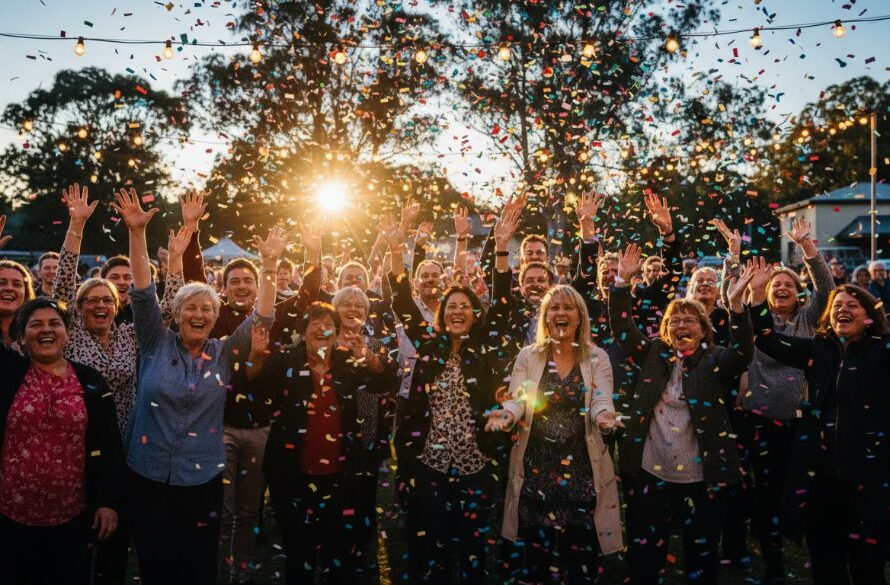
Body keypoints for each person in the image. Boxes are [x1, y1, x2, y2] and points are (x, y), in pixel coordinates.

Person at [116, 187, 278, 585]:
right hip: (149, 477)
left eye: (207, 308)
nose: (199, 313)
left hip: (201, 479)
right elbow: (141, 292)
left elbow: (263, 319)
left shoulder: (224, 351)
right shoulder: (154, 340)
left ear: (215, 315)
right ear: (175, 312)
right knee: (156, 563)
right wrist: (137, 233)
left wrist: (270, 266)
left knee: (197, 566)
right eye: (190, 306)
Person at [52, 184, 187, 585]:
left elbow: (170, 305)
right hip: (78, 445)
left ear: (117, 304)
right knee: (81, 535)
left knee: (118, 536)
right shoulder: (71, 334)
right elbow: (61, 284)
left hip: (127, 447)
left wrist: (176, 259)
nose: (99, 306)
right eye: (91, 300)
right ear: (78, 308)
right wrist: (76, 224)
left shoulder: (131, 336)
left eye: (107, 300)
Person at [610, 243, 754, 585]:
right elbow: (622, 329)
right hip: (649, 470)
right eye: (675, 320)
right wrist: (620, 284)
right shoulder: (652, 353)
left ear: (703, 330)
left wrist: (736, 308)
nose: (682, 324)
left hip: (699, 474)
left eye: (691, 320)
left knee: (701, 553)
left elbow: (744, 352)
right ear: (665, 328)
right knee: (646, 552)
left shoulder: (716, 358)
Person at [384, 204, 514, 584]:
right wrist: (396, 251)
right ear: (441, 316)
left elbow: (503, 304)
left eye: (465, 306)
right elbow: (403, 303)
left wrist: (502, 248)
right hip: (431, 464)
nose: (458, 310)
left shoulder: (485, 349)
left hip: (476, 462)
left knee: (473, 547)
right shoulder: (428, 345)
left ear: (475, 314)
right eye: (451, 306)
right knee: (435, 545)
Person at [719, 218, 835, 584]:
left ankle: (814, 553)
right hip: (759, 423)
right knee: (766, 498)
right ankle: (772, 564)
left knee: (802, 492)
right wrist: (733, 258)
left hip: (801, 425)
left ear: (798, 292)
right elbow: (731, 296)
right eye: (776, 284)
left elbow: (827, 289)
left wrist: (808, 249)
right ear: (765, 292)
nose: (782, 287)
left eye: (789, 284)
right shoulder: (754, 323)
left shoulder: (809, 320)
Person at [248, 299, 395, 584]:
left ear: (337, 333)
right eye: (314, 324)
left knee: (339, 552)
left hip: (342, 477)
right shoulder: (286, 360)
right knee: (299, 552)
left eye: (329, 325)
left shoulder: (349, 361)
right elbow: (257, 389)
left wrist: (367, 356)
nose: (321, 329)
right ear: (303, 331)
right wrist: (256, 356)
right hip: (292, 476)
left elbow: (384, 383)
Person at [751, 284, 889, 585]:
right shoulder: (818, 349)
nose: (843, 309)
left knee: (869, 569)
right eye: (837, 305)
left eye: (852, 305)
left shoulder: (883, 350)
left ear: (869, 314)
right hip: (822, 481)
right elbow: (767, 340)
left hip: (868, 479)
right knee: (827, 566)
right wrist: (759, 297)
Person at [486, 285, 623, 584]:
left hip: (582, 474)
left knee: (581, 560)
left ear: (580, 317)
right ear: (545, 317)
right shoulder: (528, 356)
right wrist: (507, 415)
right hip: (536, 472)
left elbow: (602, 398)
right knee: (536, 560)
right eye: (555, 308)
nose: (561, 313)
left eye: (568, 308)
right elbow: (519, 398)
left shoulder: (597, 357)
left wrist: (603, 417)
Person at [0, 295, 124, 585]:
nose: (46, 330)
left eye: (55, 323)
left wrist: (108, 502)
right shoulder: (7, 374)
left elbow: (109, 445)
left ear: (67, 333)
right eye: (36, 324)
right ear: (21, 334)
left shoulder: (90, 381)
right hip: (11, 515)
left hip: (72, 516)